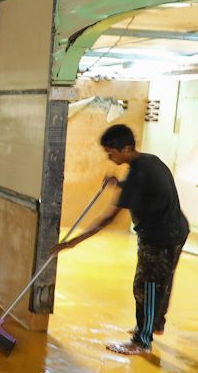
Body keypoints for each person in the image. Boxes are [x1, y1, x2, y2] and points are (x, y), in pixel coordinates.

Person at [52, 124, 189, 355]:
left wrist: (72, 242)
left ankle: (141, 341)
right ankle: (154, 325)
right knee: (161, 283)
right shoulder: (149, 161)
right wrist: (119, 185)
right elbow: (143, 189)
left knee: (147, 286)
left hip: (159, 237)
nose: (109, 156)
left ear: (126, 149)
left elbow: (107, 218)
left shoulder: (138, 173)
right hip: (176, 231)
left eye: (111, 152)